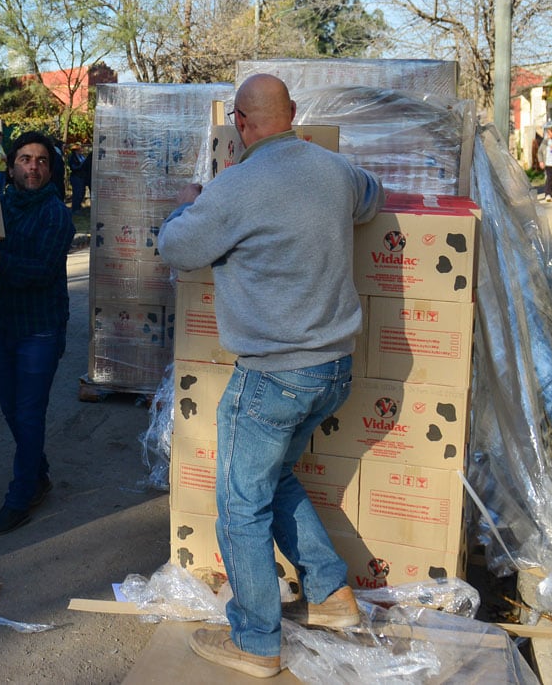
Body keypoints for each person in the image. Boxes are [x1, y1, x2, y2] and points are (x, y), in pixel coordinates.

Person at [157, 74, 385, 678]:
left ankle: (256, 640)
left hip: (272, 377)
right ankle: (332, 596)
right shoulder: (334, 170)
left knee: (240, 504)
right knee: (275, 479)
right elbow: (373, 197)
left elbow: (177, 246)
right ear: (293, 115)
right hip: (334, 369)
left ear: (240, 123)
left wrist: (190, 205)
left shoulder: (235, 187)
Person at [0, 131, 76, 537]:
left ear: (51, 169)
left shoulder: (55, 214)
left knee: (29, 415)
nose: (33, 166)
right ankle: (39, 474)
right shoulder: (1, 205)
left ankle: (19, 498)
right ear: (11, 166)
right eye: (25, 159)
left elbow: (41, 273)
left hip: (40, 329)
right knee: (12, 410)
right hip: (5, 325)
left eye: (42, 160)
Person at [67, 142, 91, 212]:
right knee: (77, 193)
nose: (81, 150)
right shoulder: (72, 157)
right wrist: (81, 166)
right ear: (76, 150)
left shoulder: (82, 156)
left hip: (82, 177)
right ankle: (75, 208)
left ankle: (78, 207)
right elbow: (73, 167)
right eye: (80, 149)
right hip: (76, 177)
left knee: (82, 193)